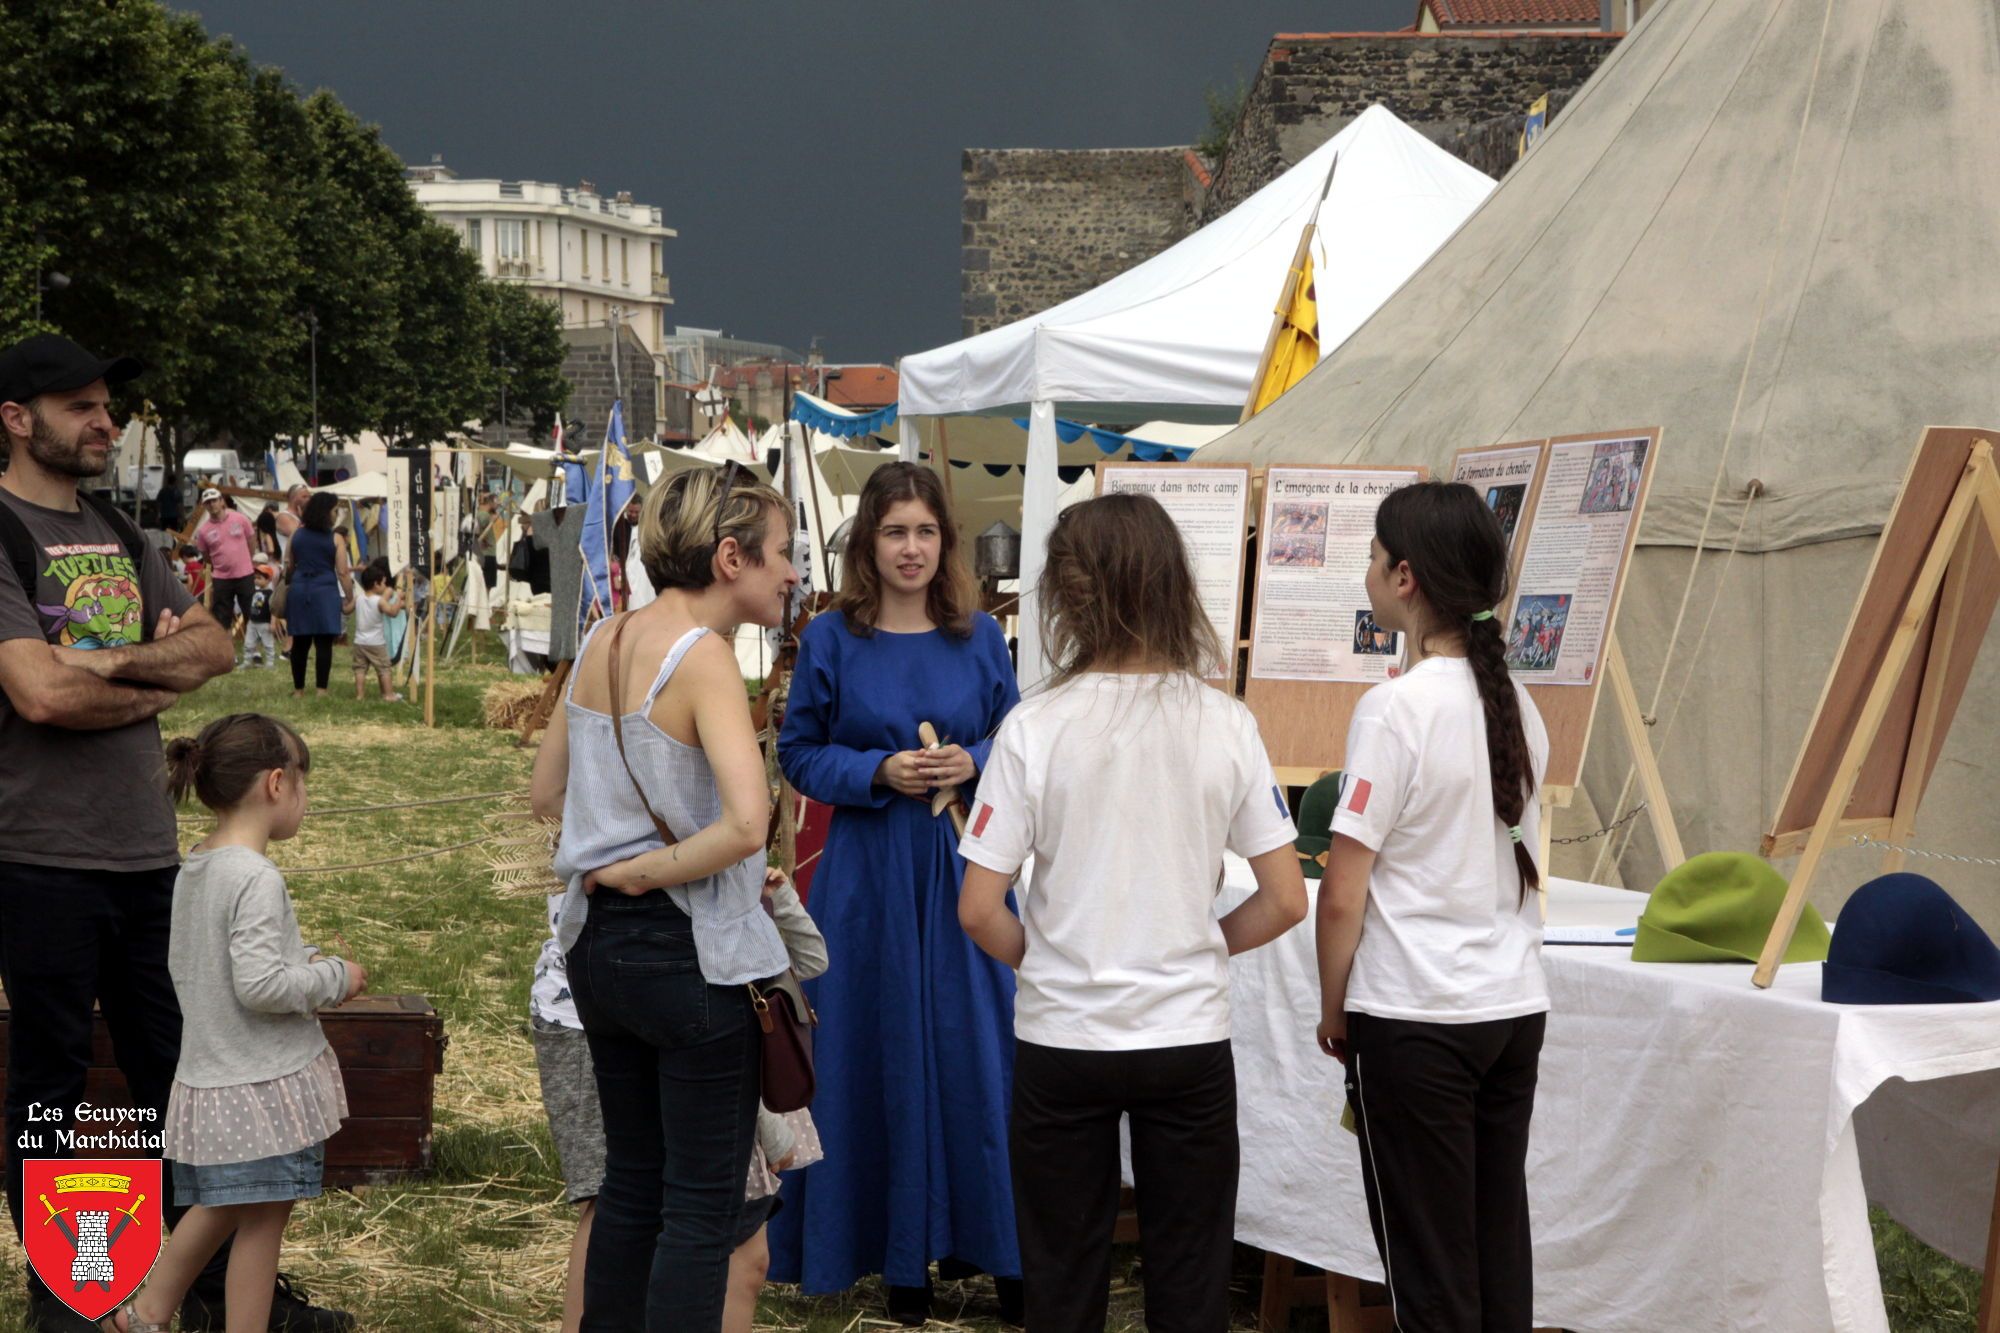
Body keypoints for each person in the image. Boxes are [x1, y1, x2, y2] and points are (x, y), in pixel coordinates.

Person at [0, 333, 348, 1332]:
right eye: (79, 406)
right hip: (38, 856)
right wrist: (138, 671)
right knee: (57, 1085)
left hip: (150, 855)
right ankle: (73, 1295)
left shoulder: (118, 528)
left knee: (188, 1074)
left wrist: (97, 668)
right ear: (17, 419)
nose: (104, 421)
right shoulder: (1, 530)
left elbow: (213, 647)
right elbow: (35, 695)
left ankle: (200, 1287)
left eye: (107, 405)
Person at [957, 493, 1308, 1333]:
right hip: (1184, 1037)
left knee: (1062, 1278)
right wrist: (1200, 945)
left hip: (1062, 1039)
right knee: (1190, 1283)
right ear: (1172, 587)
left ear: (1068, 600)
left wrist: (1046, 959)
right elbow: (1288, 897)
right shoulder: (1225, 723)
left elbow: (977, 909)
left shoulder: (1033, 727)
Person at [530, 463, 798, 1332]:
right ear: (730, 557)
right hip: (687, 951)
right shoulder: (704, 657)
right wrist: (653, 866)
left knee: (633, 1186)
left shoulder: (606, 637)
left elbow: (546, 794)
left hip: (597, 949)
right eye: (782, 554)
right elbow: (749, 822)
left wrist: (618, 853)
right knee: (700, 1207)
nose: (792, 572)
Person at [772, 461, 1022, 1325]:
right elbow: (798, 752)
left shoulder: (981, 637)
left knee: (977, 1052)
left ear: (944, 540)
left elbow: (1016, 738)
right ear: (867, 543)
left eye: (924, 531)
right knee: (874, 1054)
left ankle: (997, 1246)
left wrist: (975, 760)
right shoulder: (833, 637)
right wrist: (876, 768)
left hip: (964, 867)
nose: (910, 548)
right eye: (893, 531)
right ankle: (892, 1255)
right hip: (869, 878)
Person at [1313, 480, 1551, 1333]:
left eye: (1375, 559)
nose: (1369, 574)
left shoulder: (1395, 708)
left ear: (1405, 576)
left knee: (1431, 1272)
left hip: (1417, 1012)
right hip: (1510, 1005)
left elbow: (1343, 892)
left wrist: (1333, 1007)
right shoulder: (1517, 702)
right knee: (1495, 1252)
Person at [110, 715, 365, 1333]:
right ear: (277, 784)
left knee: (222, 1206)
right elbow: (260, 986)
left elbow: (221, 964)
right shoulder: (255, 877)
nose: (304, 800)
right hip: (258, 1084)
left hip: (212, 1079)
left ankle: (144, 1314)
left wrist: (292, 961)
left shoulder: (197, 864)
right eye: (304, 785)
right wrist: (333, 978)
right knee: (259, 1220)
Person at [280, 491, 351, 700]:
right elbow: (343, 572)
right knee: (323, 642)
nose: (336, 514)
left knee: (300, 642)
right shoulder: (336, 538)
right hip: (325, 591)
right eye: (334, 510)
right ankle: (321, 690)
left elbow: (289, 564)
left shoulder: (296, 534)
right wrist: (349, 596)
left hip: (300, 589)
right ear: (326, 512)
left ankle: (299, 690)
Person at [194, 487, 259, 665]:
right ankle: (229, 654)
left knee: (251, 613)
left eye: (215, 500)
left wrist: (247, 559)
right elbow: (206, 556)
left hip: (245, 573)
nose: (212, 504)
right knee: (222, 616)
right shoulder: (204, 531)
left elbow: (251, 540)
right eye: (208, 502)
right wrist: (220, 565)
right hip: (222, 577)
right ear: (204, 506)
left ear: (222, 501)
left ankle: (254, 652)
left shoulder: (240, 519)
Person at [345, 559, 403, 703]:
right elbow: (393, 613)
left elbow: (346, 610)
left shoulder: (359, 598)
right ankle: (389, 695)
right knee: (384, 668)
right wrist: (398, 601)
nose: (385, 585)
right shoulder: (379, 601)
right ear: (376, 584)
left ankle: (359, 696)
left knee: (359, 669)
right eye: (383, 583)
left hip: (359, 642)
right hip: (376, 643)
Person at [244, 563, 277, 668]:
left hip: (265, 623)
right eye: (255, 578)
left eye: (260, 578)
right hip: (253, 622)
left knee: (268, 643)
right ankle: (247, 661)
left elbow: (274, 609)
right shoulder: (254, 591)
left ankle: (270, 663)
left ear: (268, 580)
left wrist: (272, 623)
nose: (256, 580)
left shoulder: (270, 593)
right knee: (248, 643)